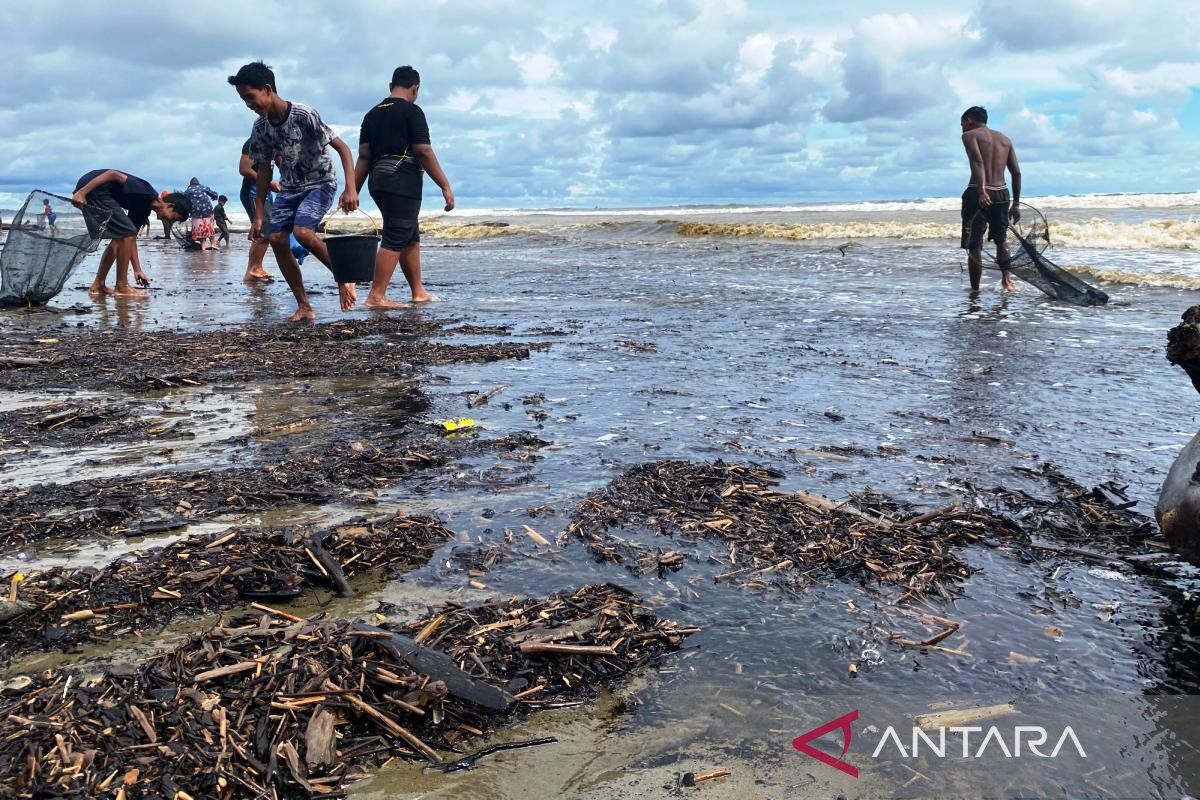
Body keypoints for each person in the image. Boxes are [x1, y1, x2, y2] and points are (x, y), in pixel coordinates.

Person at [228, 61, 359, 319]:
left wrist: (350, 188)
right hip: (290, 188)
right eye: (243, 100)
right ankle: (304, 306)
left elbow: (343, 149)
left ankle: (344, 277)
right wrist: (258, 216)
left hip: (320, 183)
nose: (248, 104)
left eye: (250, 97)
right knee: (276, 239)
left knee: (302, 232)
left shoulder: (303, 114)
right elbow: (264, 170)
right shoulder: (260, 127)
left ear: (267, 89)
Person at [353, 65, 454, 308]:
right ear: (415, 88)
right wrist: (444, 184)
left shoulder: (371, 114)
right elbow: (423, 150)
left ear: (391, 87)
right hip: (402, 181)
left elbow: (364, 156)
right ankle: (376, 296)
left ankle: (418, 291)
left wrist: (352, 189)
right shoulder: (412, 111)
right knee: (397, 233)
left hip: (378, 181)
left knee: (409, 234)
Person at [71, 169, 190, 297]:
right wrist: (82, 193)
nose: (170, 222)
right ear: (170, 206)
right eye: (173, 218)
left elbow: (131, 238)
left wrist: (137, 270)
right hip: (94, 187)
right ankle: (121, 286)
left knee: (120, 239)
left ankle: (98, 285)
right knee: (125, 234)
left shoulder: (144, 210)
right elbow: (112, 174)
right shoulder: (146, 192)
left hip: (100, 192)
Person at [960, 106, 1021, 293]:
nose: (962, 128)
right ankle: (1007, 282)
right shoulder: (1005, 139)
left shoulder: (969, 136)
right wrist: (1016, 204)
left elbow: (978, 162)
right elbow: (1016, 172)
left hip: (978, 194)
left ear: (969, 120)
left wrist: (981, 192)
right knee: (1001, 241)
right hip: (1002, 193)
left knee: (974, 244)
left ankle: (975, 290)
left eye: (962, 124)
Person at [238, 138, 280, 281]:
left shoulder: (275, 142)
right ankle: (254, 269)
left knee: (264, 229)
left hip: (264, 192)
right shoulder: (253, 142)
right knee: (264, 229)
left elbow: (280, 162)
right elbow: (244, 169)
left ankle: (254, 268)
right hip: (252, 192)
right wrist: (268, 183)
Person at [184, 177, 220, 251]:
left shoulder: (188, 191)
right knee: (209, 227)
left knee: (200, 229)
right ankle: (213, 244)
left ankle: (203, 246)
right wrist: (214, 197)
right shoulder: (203, 187)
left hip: (195, 212)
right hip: (208, 210)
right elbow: (214, 195)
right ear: (198, 183)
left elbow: (184, 201)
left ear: (190, 184)